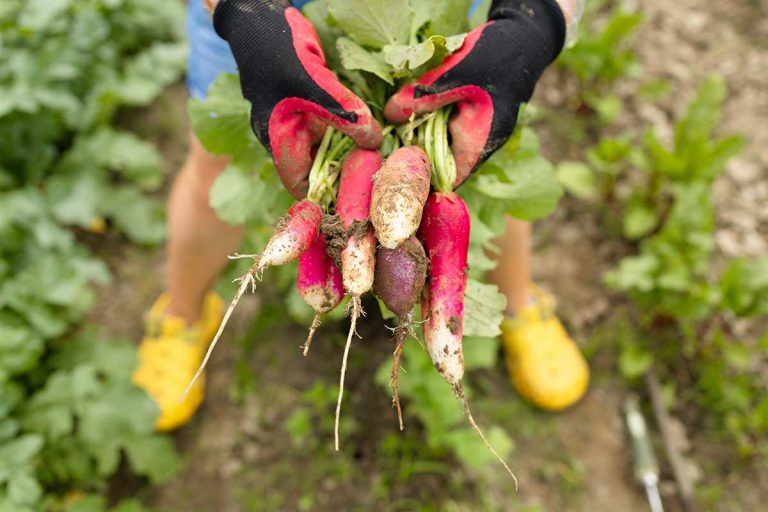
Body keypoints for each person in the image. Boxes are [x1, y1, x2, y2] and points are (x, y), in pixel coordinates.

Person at [132, 0, 589, 432]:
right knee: (215, 167)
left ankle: (519, 301)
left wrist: (537, 17)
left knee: (475, 152)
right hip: (272, 14)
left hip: (450, 12)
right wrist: (243, 13)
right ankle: (182, 314)